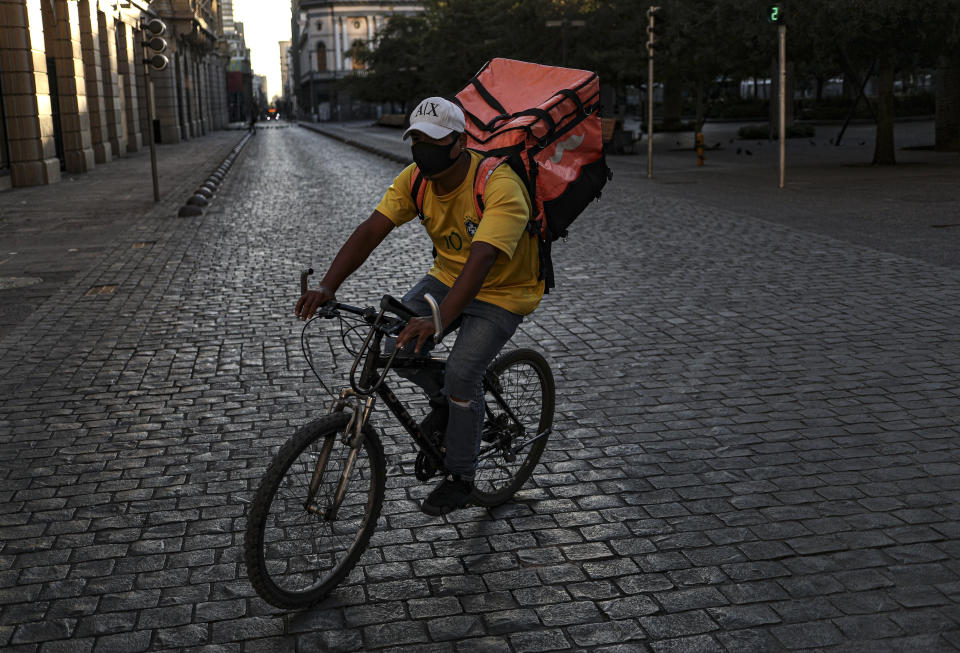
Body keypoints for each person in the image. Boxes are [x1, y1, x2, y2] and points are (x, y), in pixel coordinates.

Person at [296, 97, 544, 516]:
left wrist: (438, 319)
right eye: (416, 140)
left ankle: (462, 476)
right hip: (447, 277)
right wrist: (328, 284)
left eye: (433, 141)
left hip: (505, 290)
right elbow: (373, 228)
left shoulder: (497, 185)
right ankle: (449, 404)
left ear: (459, 142)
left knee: (464, 373)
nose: (421, 150)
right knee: (393, 347)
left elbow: (482, 259)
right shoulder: (416, 180)